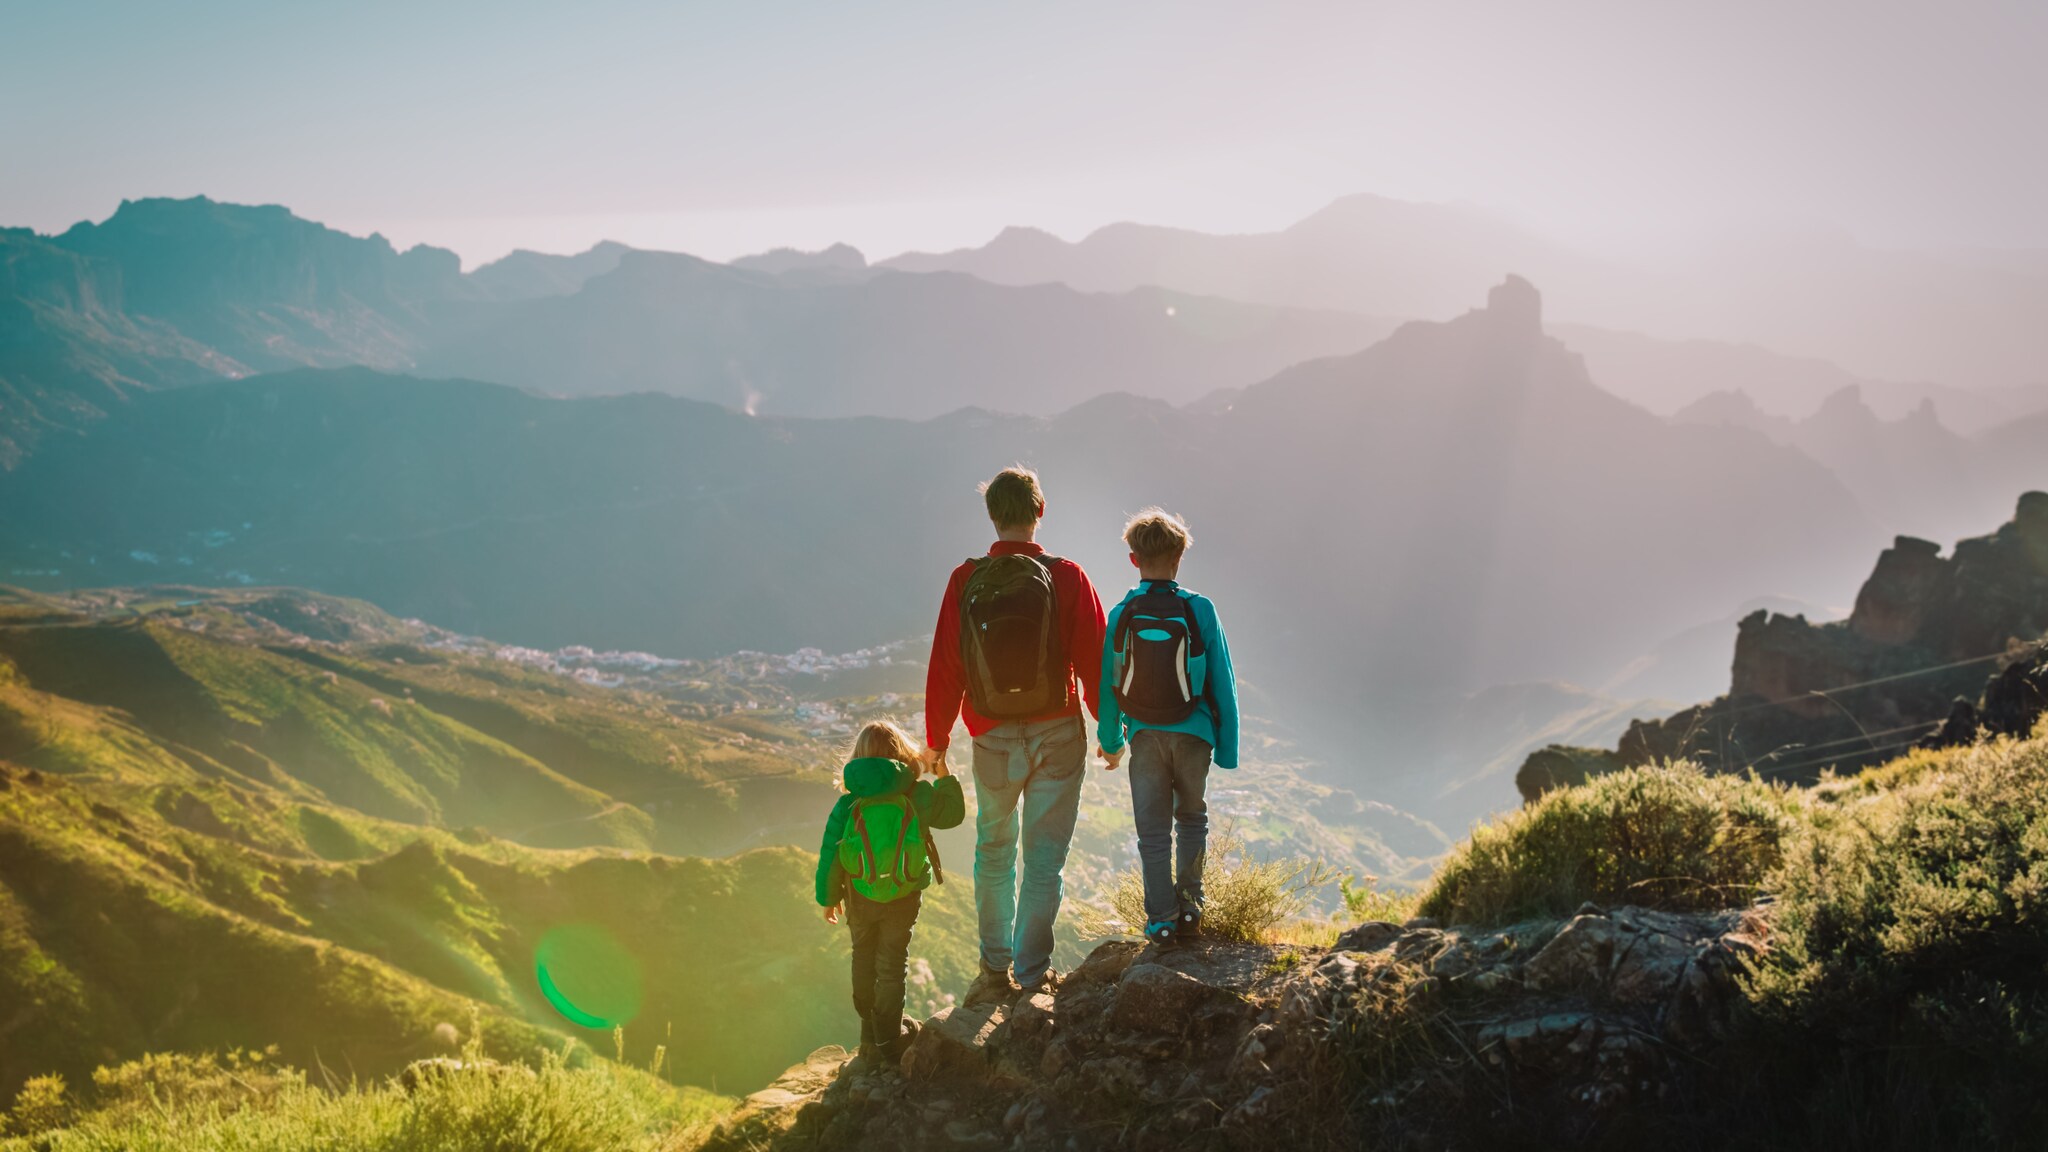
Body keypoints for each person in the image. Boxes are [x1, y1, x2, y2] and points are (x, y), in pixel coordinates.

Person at [925, 466, 1107, 1003]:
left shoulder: (965, 578)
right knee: (1044, 860)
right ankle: (1032, 975)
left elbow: (946, 665)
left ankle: (993, 970)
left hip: (992, 739)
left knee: (994, 852)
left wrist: (936, 741)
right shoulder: (1066, 575)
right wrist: (1111, 732)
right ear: (1039, 512)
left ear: (992, 516)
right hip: (1058, 734)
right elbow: (1094, 659)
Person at [1096, 507, 1239, 948]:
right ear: (1179, 557)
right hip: (1195, 735)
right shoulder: (1200, 609)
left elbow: (1109, 684)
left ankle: (1160, 920)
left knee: (1152, 831)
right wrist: (1228, 749)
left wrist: (1112, 741)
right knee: (1192, 818)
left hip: (1144, 736)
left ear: (1133, 559)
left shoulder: (1123, 612)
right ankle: (1191, 907)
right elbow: (1222, 680)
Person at [817, 719, 965, 1067]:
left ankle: (871, 1033)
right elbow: (954, 814)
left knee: (863, 957)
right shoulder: (915, 794)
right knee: (892, 965)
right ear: (901, 752)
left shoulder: (849, 803)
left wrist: (828, 898)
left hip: (859, 896)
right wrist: (944, 775)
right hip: (904, 895)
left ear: (858, 757)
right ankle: (890, 1038)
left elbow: (830, 853)